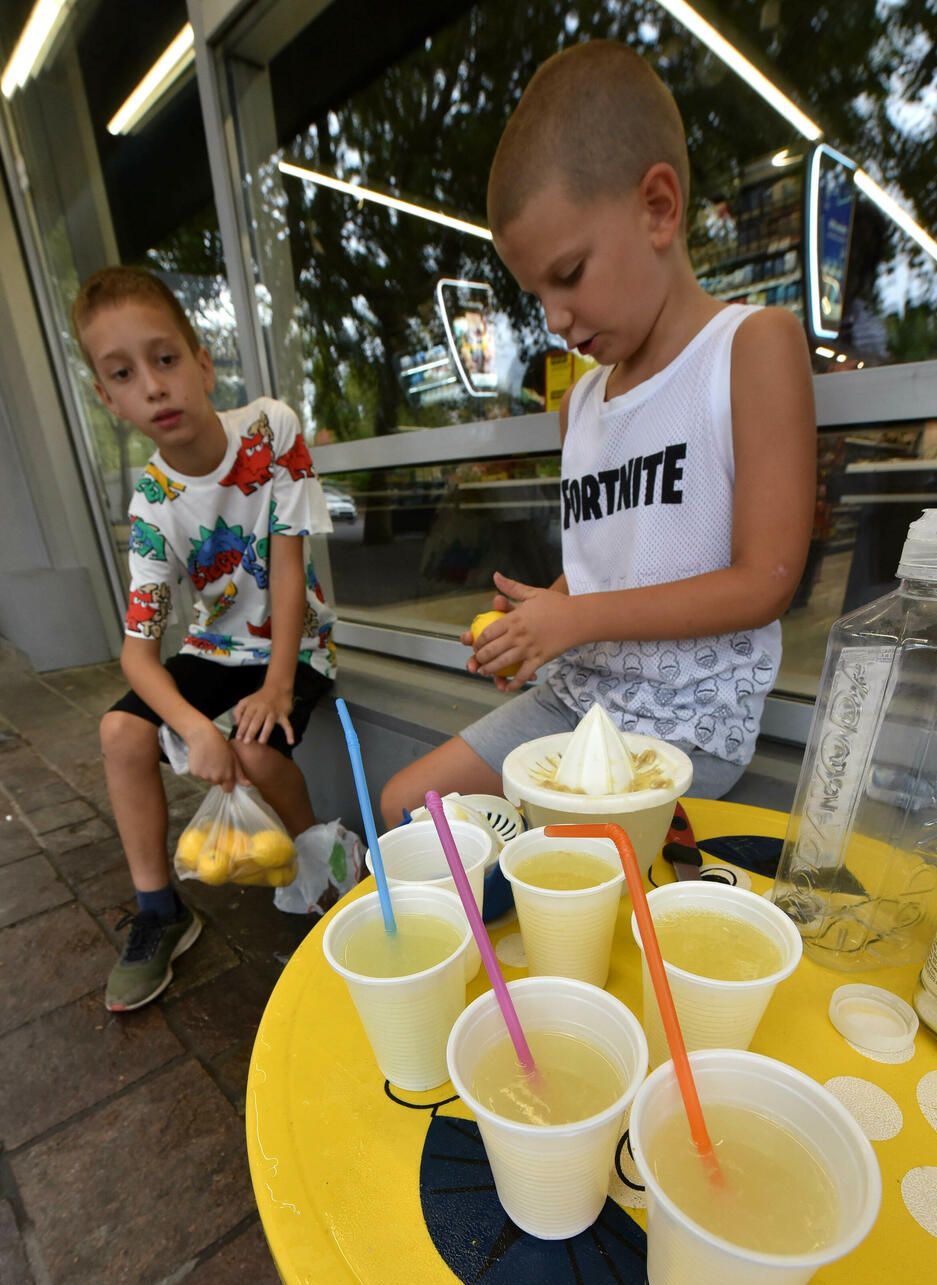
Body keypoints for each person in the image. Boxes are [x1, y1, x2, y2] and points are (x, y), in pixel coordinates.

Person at [380, 40, 815, 829]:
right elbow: (604, 565)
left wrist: (573, 620)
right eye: (535, 292)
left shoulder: (749, 348)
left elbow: (766, 581)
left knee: (561, 865)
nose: (556, 319)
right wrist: (539, 622)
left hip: (684, 722)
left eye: (570, 273)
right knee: (411, 806)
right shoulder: (578, 407)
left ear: (658, 207)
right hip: (578, 697)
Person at [71, 266, 337, 1011]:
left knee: (255, 746)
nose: (152, 387)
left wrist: (279, 683)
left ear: (201, 362)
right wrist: (190, 729)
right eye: (123, 373)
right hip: (216, 650)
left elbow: (289, 567)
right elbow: (137, 651)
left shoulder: (270, 429)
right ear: (107, 398)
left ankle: (323, 863)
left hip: (296, 643)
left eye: (164, 359)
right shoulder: (153, 504)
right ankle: (161, 912)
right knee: (122, 730)